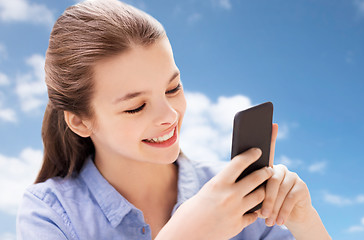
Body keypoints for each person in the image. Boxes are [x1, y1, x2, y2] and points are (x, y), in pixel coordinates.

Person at [16, 0, 331, 239]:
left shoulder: (239, 196)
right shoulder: (50, 213)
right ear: (81, 122)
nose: (169, 116)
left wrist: (305, 221)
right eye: (136, 107)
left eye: (173, 88)